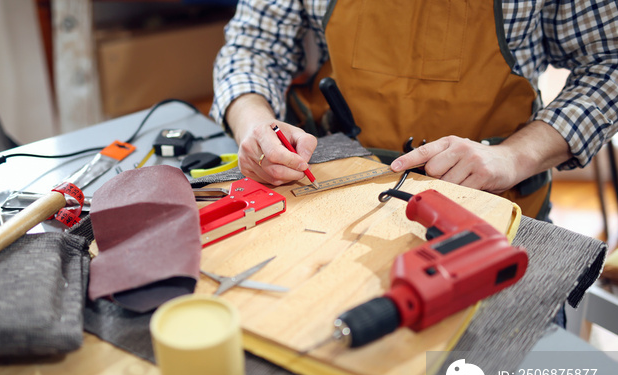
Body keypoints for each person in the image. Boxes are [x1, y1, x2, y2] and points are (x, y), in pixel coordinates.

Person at [210, 0, 618, 220]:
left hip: (493, 206)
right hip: (329, 198)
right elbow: (252, 48)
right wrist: (255, 125)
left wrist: (515, 156)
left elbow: (610, 63)